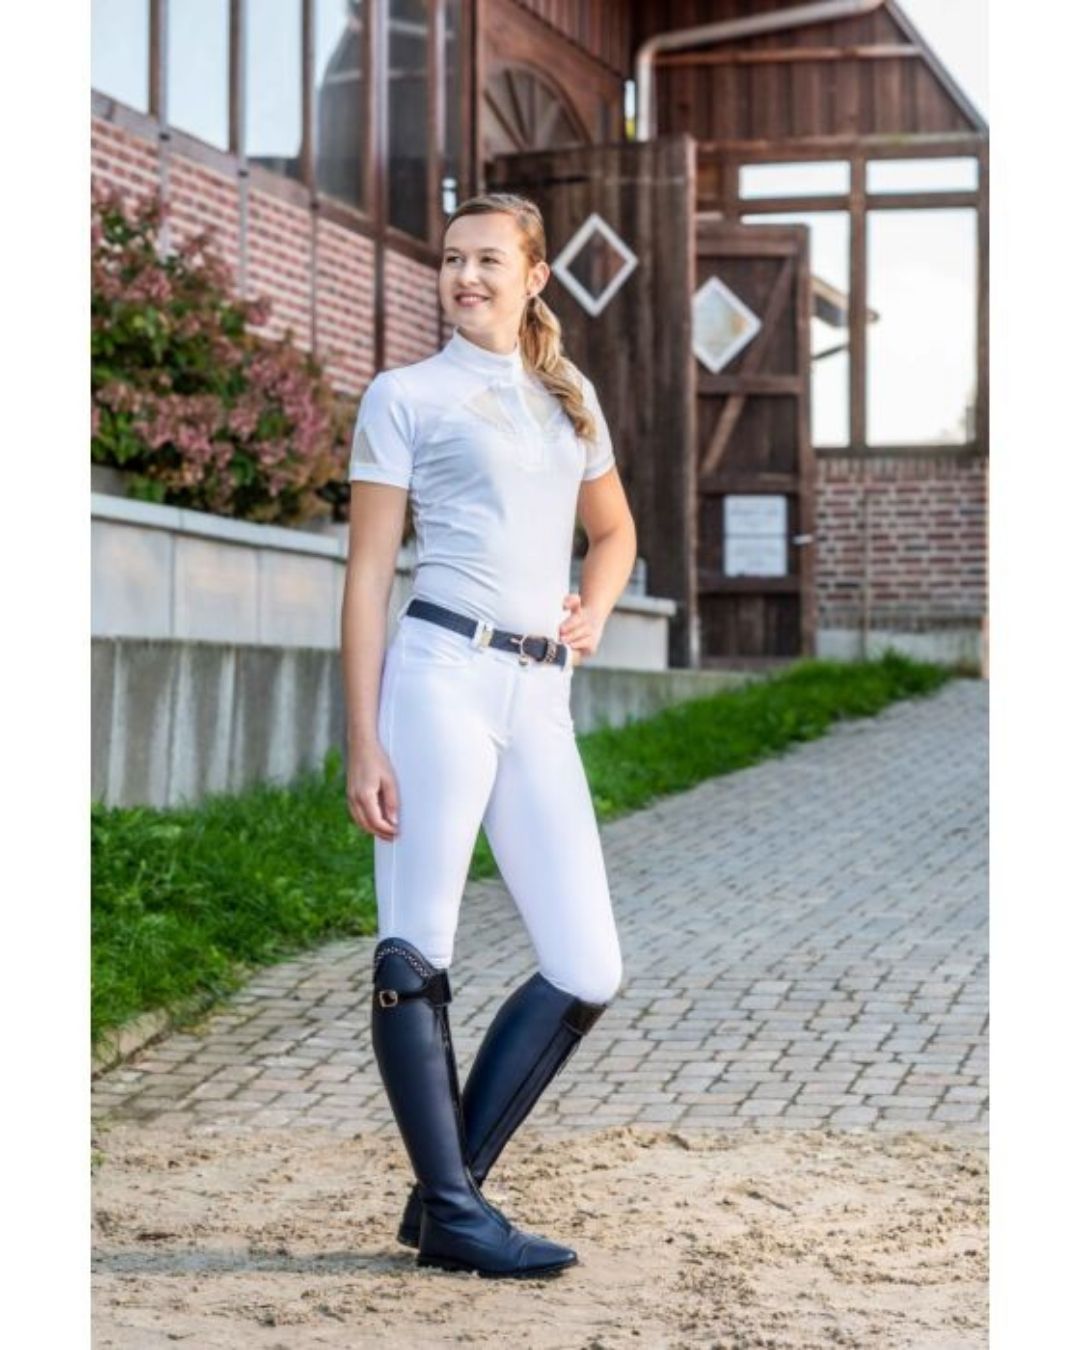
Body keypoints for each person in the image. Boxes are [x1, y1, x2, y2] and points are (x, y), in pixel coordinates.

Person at [340, 192, 637, 1278]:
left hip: (539, 694)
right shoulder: (403, 396)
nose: (464, 276)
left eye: (486, 261)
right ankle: (460, 1215)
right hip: (439, 680)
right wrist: (362, 737)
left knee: (587, 963)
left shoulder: (569, 396)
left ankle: (444, 1195)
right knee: (419, 945)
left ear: (534, 275)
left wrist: (596, 606)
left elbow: (614, 531)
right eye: (451, 260)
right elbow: (368, 574)